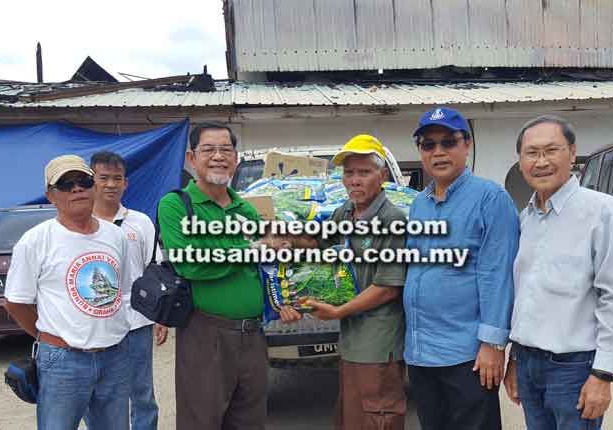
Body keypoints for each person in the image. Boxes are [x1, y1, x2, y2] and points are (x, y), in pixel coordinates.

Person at [503, 115, 613, 430]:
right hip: (528, 364)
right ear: (521, 161)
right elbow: (525, 295)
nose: (541, 161)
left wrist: (602, 374)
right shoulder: (526, 217)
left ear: (573, 154)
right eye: (531, 153)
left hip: (573, 368)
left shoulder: (603, 212)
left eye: (552, 150)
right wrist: (515, 360)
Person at [280, 134, 408, 430]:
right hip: (352, 341)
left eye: (364, 172)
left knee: (378, 418)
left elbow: (388, 287)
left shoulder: (392, 220)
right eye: (349, 173)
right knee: (352, 417)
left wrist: (337, 312)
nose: (354, 180)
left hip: (378, 344)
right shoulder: (345, 213)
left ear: (383, 176)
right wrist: (287, 237)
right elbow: (319, 249)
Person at [403, 108, 519, 430]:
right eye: (429, 145)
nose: (438, 152)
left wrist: (493, 345)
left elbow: (498, 275)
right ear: (421, 151)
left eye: (448, 142)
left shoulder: (490, 199)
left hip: (468, 354)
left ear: (466, 144)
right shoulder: (419, 204)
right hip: (420, 353)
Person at [3, 155, 132, 430]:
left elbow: (121, 291)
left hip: (115, 356)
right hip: (63, 360)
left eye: (83, 181)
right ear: (51, 196)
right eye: (66, 184)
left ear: (94, 187)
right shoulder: (36, 240)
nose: (77, 189)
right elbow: (15, 302)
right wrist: (47, 336)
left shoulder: (116, 236)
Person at [157, 123, 266, 430]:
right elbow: (190, 262)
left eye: (226, 150)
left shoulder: (246, 210)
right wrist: (250, 248)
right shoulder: (176, 205)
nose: (218, 156)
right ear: (192, 158)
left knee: (250, 421)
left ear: (236, 159)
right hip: (207, 334)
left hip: (254, 334)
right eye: (208, 150)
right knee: (201, 421)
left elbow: (258, 267)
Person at [89, 151, 168, 430]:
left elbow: (155, 270)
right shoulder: (80, 225)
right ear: (92, 181)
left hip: (136, 322)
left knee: (142, 394)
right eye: (103, 178)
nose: (110, 184)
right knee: (99, 394)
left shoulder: (140, 222)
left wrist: (160, 315)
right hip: (92, 324)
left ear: (126, 183)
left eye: (117, 178)